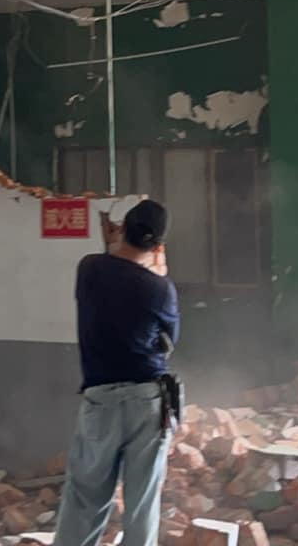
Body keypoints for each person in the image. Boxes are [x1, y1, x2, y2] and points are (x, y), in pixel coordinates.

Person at [52, 199, 180, 546]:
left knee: (85, 498)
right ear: (158, 246)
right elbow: (170, 341)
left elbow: (114, 264)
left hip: (101, 399)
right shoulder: (160, 289)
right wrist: (157, 272)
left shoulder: (90, 269)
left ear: (121, 229)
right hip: (148, 399)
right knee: (142, 503)